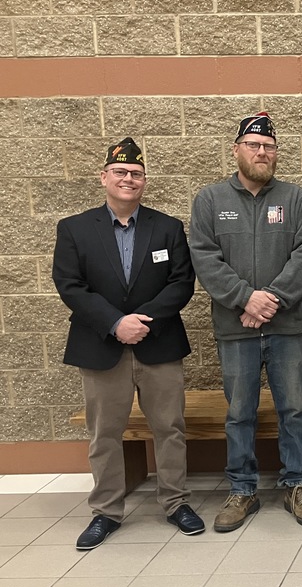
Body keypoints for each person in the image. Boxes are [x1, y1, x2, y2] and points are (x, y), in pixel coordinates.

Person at [53, 138, 203, 550]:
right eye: (120, 172)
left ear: (144, 182)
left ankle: (175, 503)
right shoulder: (75, 229)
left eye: (136, 174)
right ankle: (106, 511)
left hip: (158, 345)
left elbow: (181, 283)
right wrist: (116, 323)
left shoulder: (167, 227)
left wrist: (143, 323)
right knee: (104, 432)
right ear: (104, 177)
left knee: (169, 428)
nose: (128, 179)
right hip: (102, 346)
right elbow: (70, 285)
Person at [190, 112, 302, 532]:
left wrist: (272, 300)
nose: (262, 152)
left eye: (268, 146)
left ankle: (297, 484)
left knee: (293, 409)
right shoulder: (210, 200)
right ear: (237, 150)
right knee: (240, 411)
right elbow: (205, 258)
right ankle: (242, 489)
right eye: (253, 145)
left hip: (286, 327)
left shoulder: (294, 198)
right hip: (236, 328)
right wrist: (246, 298)